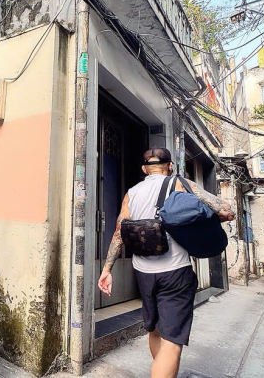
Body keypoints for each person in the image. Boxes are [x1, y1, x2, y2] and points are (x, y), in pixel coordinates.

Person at [98, 147, 234, 378]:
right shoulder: (180, 184)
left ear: (144, 169)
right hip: (175, 271)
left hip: (142, 272)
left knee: (155, 330)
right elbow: (226, 210)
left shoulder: (131, 193)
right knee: (172, 339)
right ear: (170, 166)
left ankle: (162, 370)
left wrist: (106, 269)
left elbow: (119, 232)